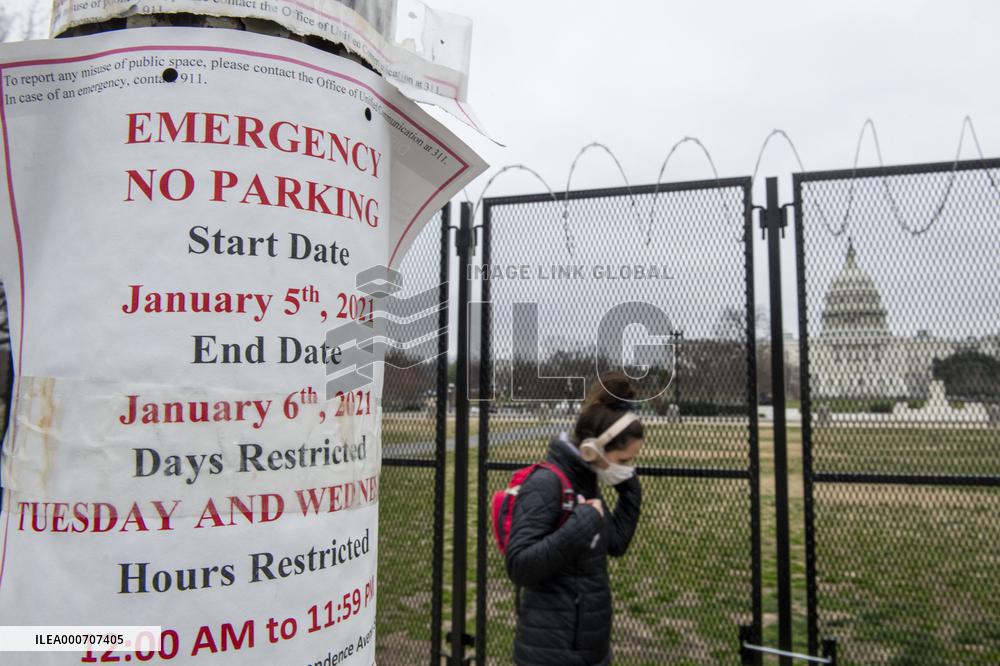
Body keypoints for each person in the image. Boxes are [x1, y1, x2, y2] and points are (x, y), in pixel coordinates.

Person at [505, 372, 643, 666]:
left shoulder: (586, 481)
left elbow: (615, 542)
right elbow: (520, 565)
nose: (628, 468)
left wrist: (629, 487)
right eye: (624, 461)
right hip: (550, 653)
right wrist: (583, 523)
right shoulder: (546, 484)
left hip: (588, 649)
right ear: (593, 449)